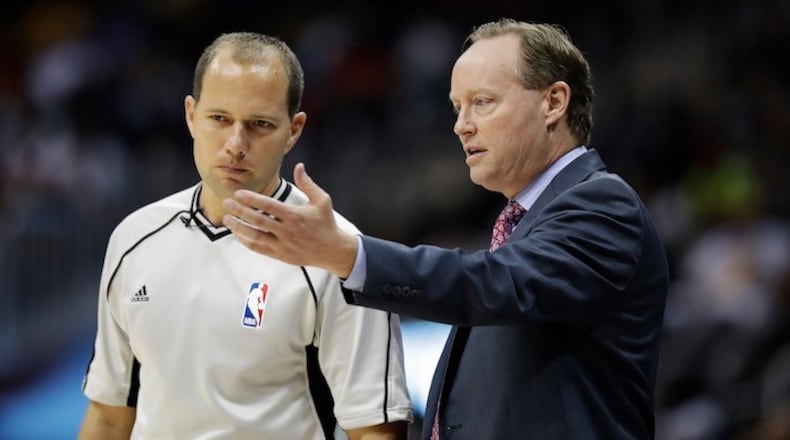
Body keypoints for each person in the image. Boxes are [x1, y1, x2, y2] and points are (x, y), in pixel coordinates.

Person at [222, 18, 670, 440]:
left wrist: (348, 254)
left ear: (553, 102)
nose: (461, 125)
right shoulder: (522, 226)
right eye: (457, 107)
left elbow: (493, 284)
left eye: (482, 102)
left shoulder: (601, 205)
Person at [77, 32, 413, 440]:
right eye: (219, 119)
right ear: (190, 115)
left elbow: (375, 431)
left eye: (260, 124)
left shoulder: (340, 255)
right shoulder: (134, 239)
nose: (236, 145)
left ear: (294, 129)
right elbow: (110, 416)